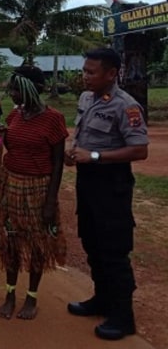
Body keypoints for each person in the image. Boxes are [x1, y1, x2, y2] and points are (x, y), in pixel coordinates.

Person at [65, 47, 149, 341]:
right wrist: (73, 151)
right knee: (91, 243)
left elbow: (140, 150)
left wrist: (96, 155)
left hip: (111, 185)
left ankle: (123, 317)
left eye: (91, 72)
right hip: (87, 183)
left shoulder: (126, 106)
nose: (85, 76)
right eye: (84, 70)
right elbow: (83, 135)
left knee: (114, 251)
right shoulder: (87, 98)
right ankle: (101, 299)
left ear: (112, 73)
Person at [0, 65, 68, 321]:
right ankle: (10, 294)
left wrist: (50, 202)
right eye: (11, 88)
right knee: (11, 243)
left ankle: (32, 297)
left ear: (32, 90)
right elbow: (11, 147)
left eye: (16, 89)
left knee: (38, 244)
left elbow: (58, 162)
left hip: (38, 188)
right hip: (12, 186)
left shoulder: (54, 119)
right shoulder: (15, 116)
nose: (11, 93)